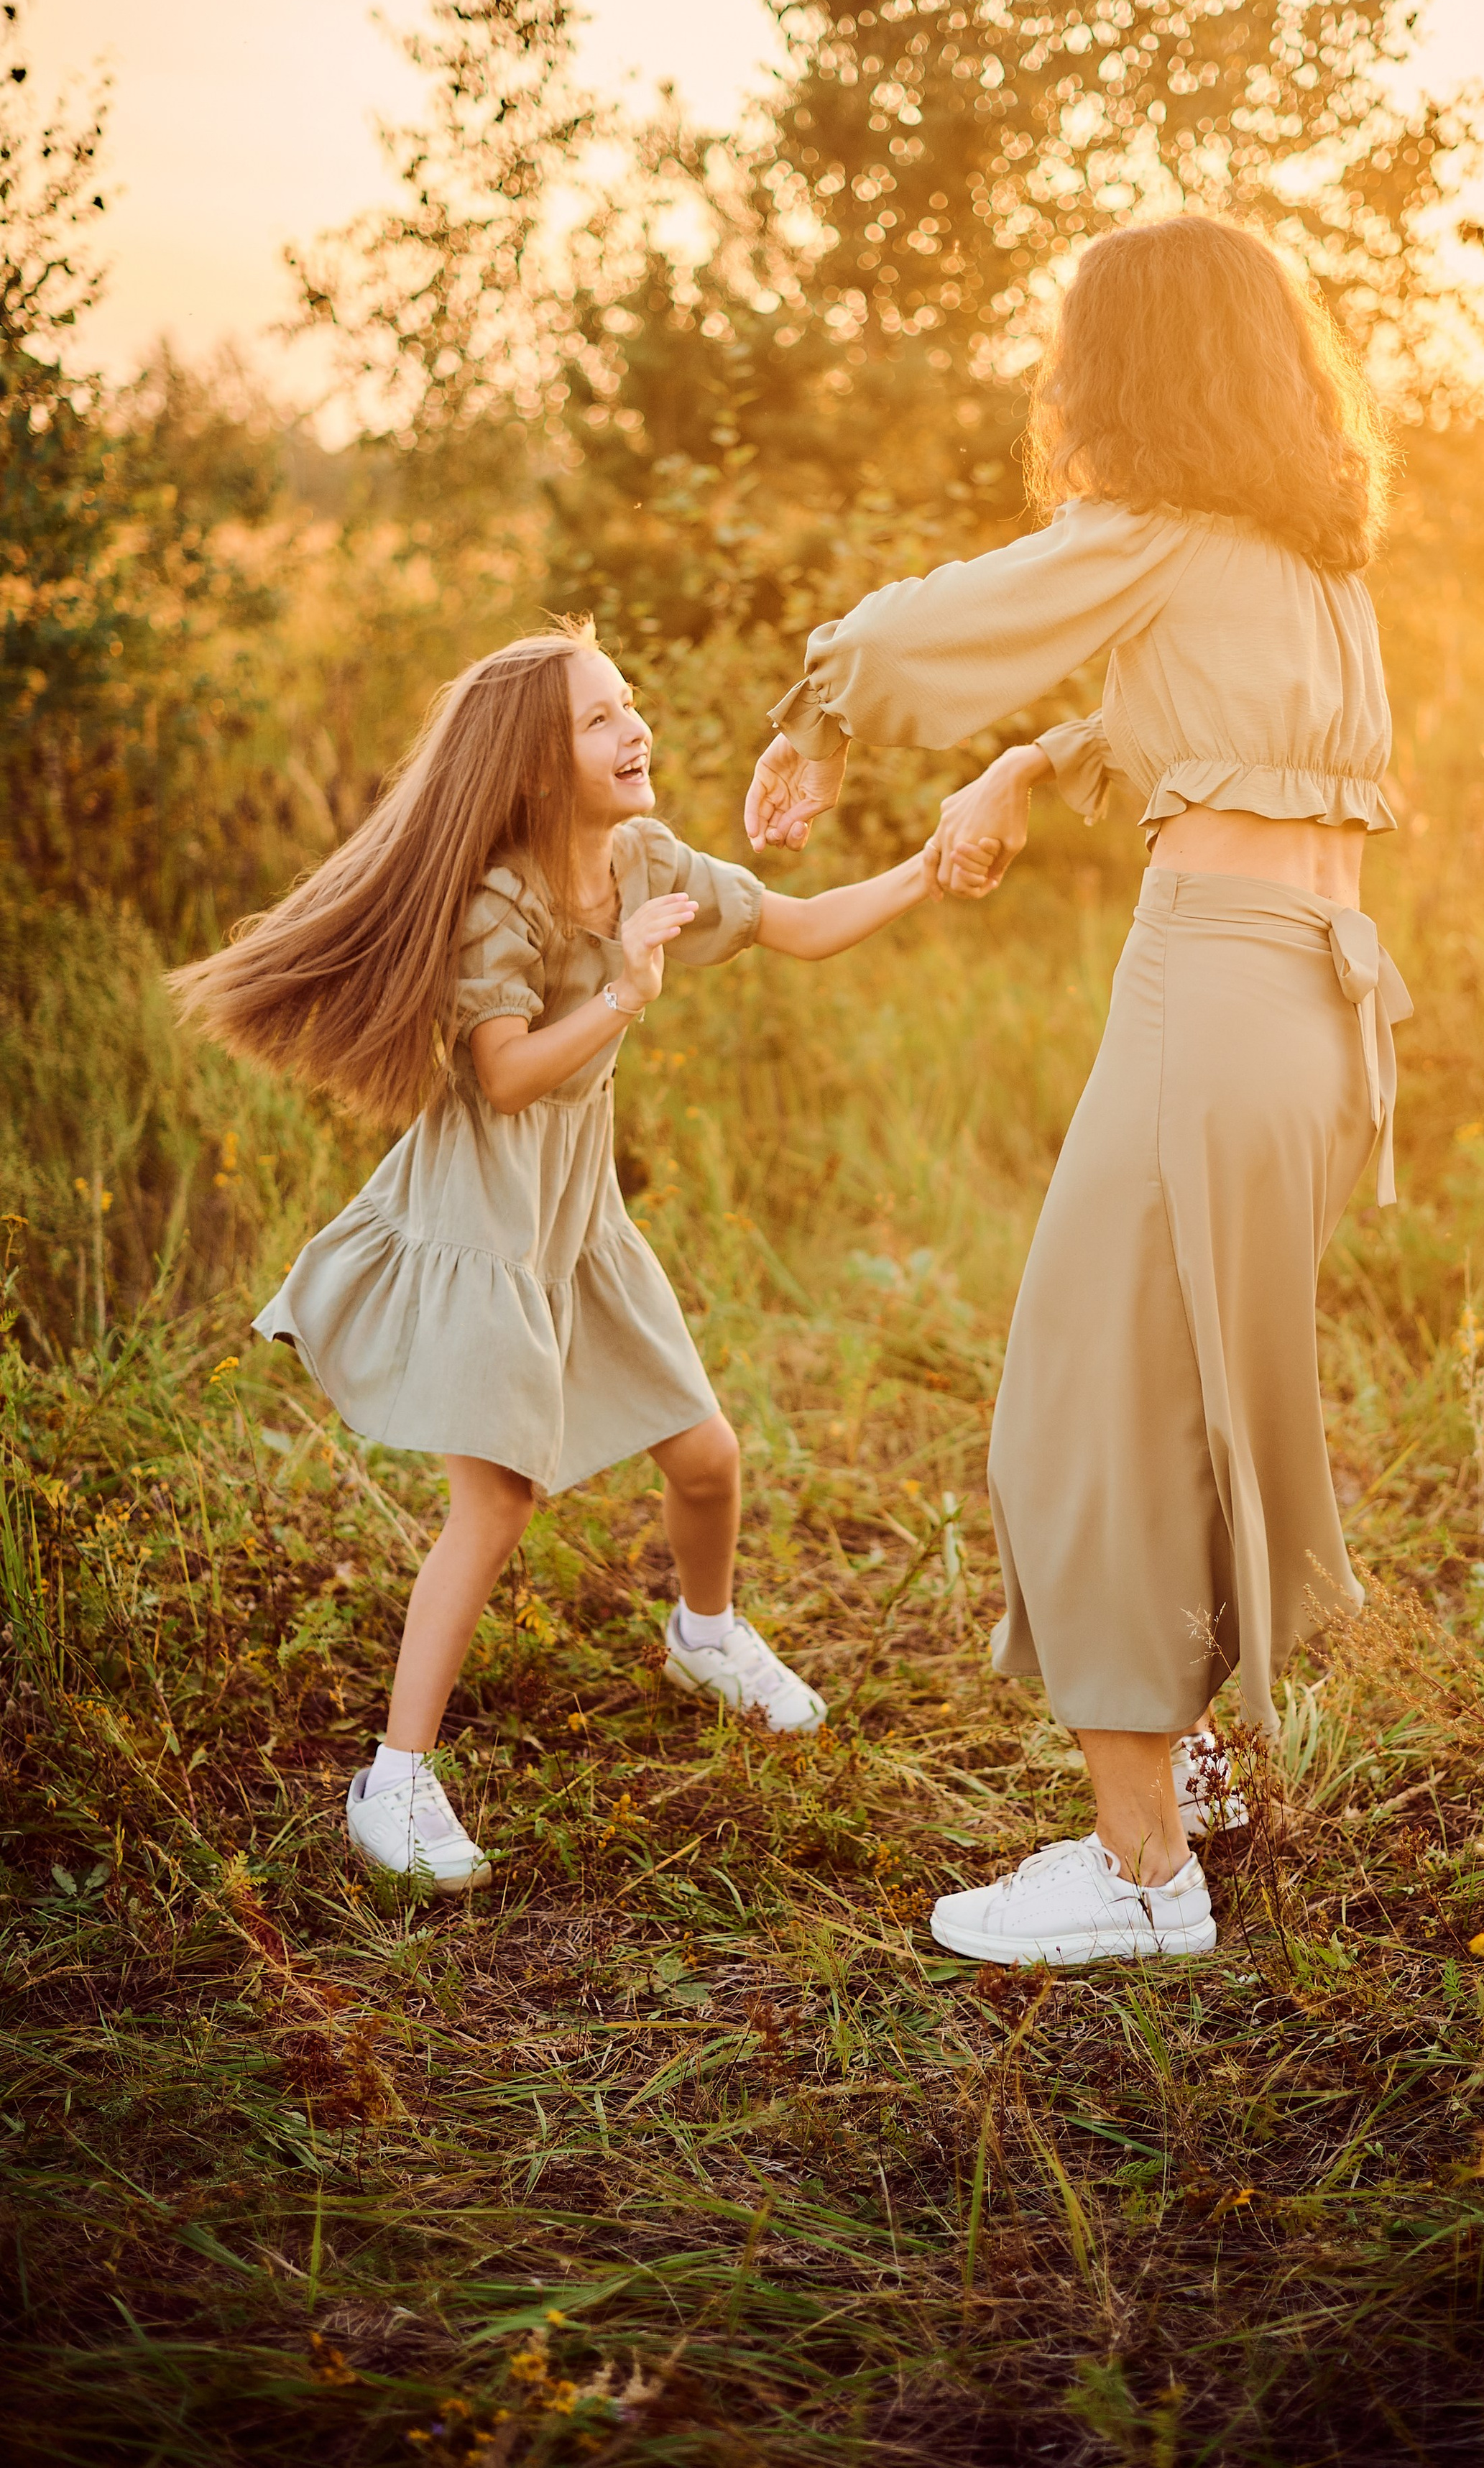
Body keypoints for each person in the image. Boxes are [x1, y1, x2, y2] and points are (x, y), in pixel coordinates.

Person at [746, 216, 1411, 1968]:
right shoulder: (1308, 574)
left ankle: (1133, 1876)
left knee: (1082, 1401)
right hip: (1324, 1018)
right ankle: (1183, 1775)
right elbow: (1186, 727)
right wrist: (1028, 762)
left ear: (1129, 368)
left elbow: (936, 625)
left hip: (1208, 984)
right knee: (1181, 1394)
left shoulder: (1157, 535)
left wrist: (820, 710)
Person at [172, 617, 942, 1892]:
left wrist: (929, 867)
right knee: (501, 1499)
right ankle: (395, 1778)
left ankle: (703, 1634)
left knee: (707, 1457)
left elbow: (795, 925)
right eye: (601, 717)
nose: (635, 726)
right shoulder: (501, 903)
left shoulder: (643, 858)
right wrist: (627, 996)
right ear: (536, 769)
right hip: (487, 1214)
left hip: (579, 1216)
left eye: (629, 701)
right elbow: (509, 1076)